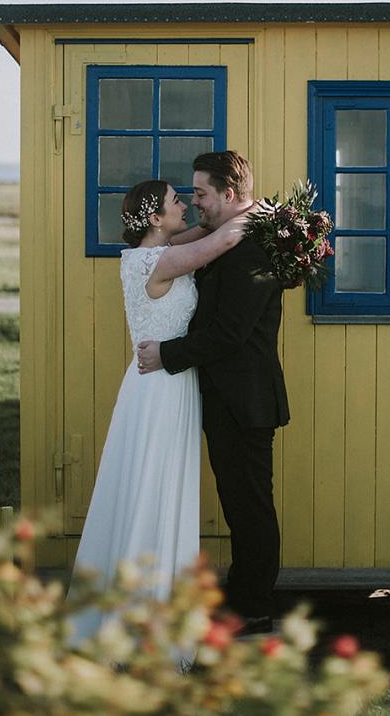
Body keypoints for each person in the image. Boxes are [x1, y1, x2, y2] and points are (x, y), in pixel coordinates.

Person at [67, 179, 246, 644]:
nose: (184, 205)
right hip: (160, 389)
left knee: (161, 483)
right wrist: (261, 210)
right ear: (154, 218)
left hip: (167, 381)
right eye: (175, 201)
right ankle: (141, 615)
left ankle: (154, 604)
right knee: (154, 484)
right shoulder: (158, 261)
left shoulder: (158, 252)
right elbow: (223, 239)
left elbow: (200, 235)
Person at [136, 151, 290, 636]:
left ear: (229, 193)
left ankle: (254, 610)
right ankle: (242, 600)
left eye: (201, 193)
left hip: (246, 401)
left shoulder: (253, 251)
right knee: (239, 504)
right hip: (227, 398)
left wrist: (167, 354)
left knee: (249, 508)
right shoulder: (228, 238)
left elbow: (229, 333)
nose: (196, 200)